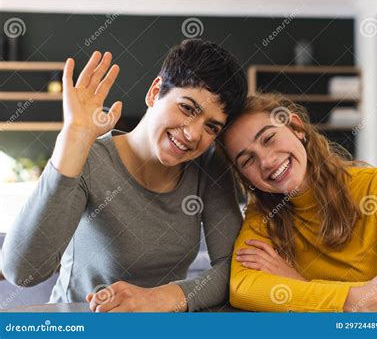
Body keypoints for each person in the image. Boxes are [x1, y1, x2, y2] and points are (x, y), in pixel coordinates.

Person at [2, 39, 247, 312]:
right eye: (188, 109)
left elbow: (233, 268)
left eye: (211, 127)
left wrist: (158, 299)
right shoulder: (90, 158)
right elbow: (22, 272)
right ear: (155, 92)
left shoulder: (208, 166)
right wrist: (72, 140)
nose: (193, 134)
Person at [222, 93, 377, 312]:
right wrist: (359, 300)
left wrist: (298, 282)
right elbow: (241, 288)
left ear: (297, 128)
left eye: (269, 139)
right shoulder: (262, 213)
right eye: (248, 160)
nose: (267, 161)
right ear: (244, 177)